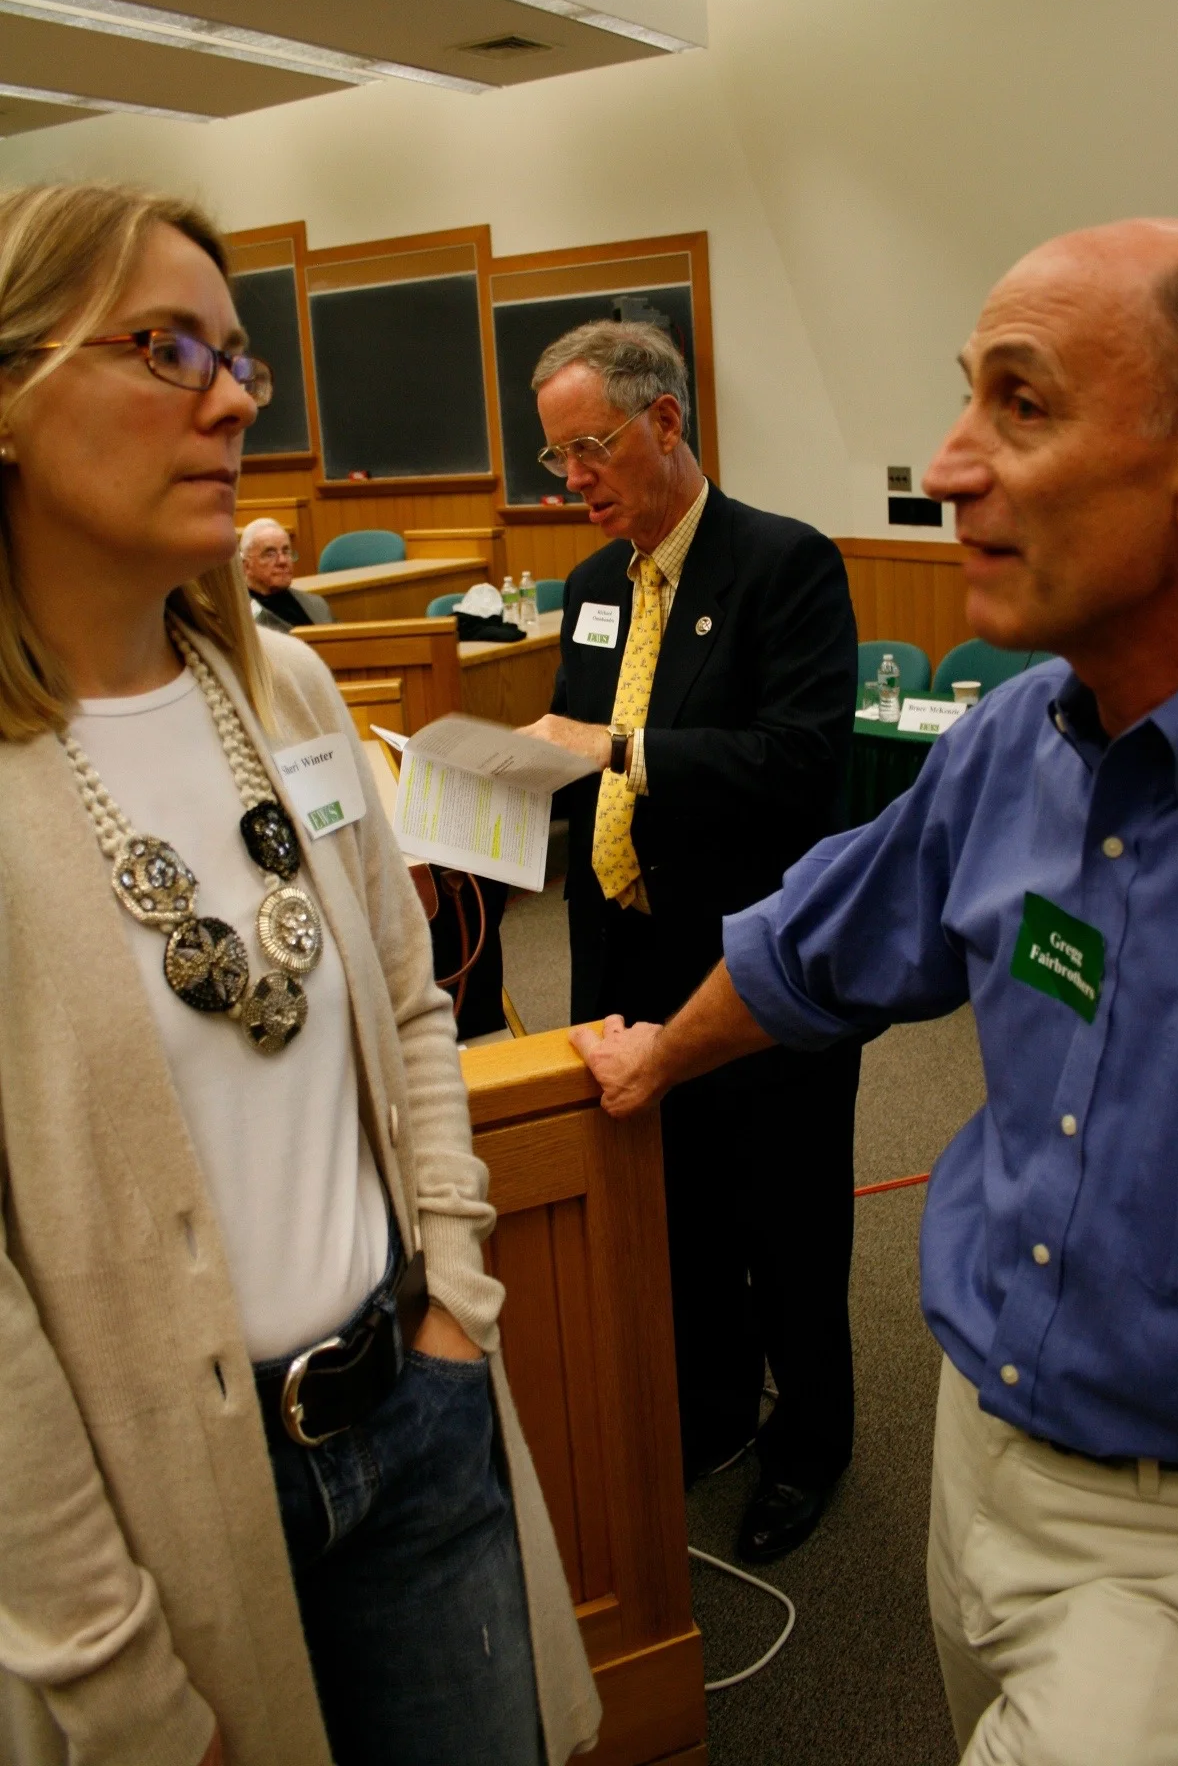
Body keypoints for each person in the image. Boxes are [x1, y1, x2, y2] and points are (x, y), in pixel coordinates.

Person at [574, 218, 1178, 1763]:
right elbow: (812, 943)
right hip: (980, 1450)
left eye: (1020, 404)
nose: (951, 464)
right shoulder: (1013, 741)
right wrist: (652, 1061)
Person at [0, 181, 599, 1766]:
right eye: (165, 348)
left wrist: (455, 1297)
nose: (232, 401)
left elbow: (410, 1002)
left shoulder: (285, 690)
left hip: (414, 1404)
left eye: (237, 357)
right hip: (163, 1526)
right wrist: (103, 1667)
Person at [520, 320, 862, 1563]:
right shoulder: (590, 587)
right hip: (626, 944)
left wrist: (618, 749)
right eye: (557, 458)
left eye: (590, 448)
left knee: (787, 1213)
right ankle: (712, 1408)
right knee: (674, 1207)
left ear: (664, 421)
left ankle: (811, 1440)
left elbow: (799, 762)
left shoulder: (783, 564)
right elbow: (571, 748)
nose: (574, 480)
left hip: (757, 956)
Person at [239, 515, 332, 629]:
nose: (282, 561)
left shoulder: (316, 604)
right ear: (246, 566)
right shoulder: (239, 615)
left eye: (286, 551)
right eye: (270, 554)